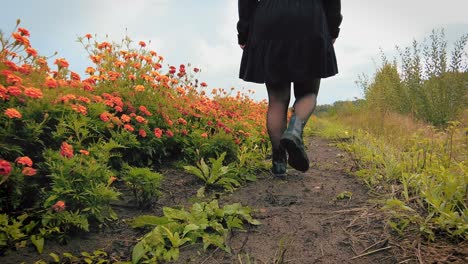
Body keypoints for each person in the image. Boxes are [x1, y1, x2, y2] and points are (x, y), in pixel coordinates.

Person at [237, 0, 342, 177]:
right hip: (310, 19)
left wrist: (244, 32)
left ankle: (279, 163)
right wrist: (332, 29)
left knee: (277, 99)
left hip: (270, 20)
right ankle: (294, 131)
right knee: (308, 93)